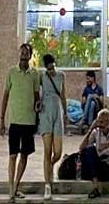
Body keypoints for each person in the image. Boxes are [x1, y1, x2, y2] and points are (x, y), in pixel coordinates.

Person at [0, 43, 40, 203]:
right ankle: (11, 188)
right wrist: (2, 119)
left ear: (30, 56)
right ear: (19, 54)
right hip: (15, 121)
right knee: (12, 155)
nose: (24, 55)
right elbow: (5, 96)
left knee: (24, 155)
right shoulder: (11, 72)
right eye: (22, 52)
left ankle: (16, 186)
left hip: (29, 121)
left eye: (26, 53)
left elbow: (37, 96)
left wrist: (38, 112)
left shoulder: (35, 74)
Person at [38, 54, 68, 201]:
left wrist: (66, 113)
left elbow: (63, 95)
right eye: (48, 68)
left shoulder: (61, 75)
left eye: (52, 67)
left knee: (58, 152)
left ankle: (48, 167)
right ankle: (47, 184)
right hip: (45, 112)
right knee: (47, 150)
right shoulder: (42, 76)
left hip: (58, 111)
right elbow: (36, 92)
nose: (50, 70)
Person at [79, 109, 109, 199]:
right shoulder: (95, 132)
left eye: (101, 122)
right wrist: (90, 129)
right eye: (98, 122)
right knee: (89, 150)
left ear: (108, 122)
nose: (99, 125)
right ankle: (96, 188)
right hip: (98, 167)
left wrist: (108, 144)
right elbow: (81, 148)